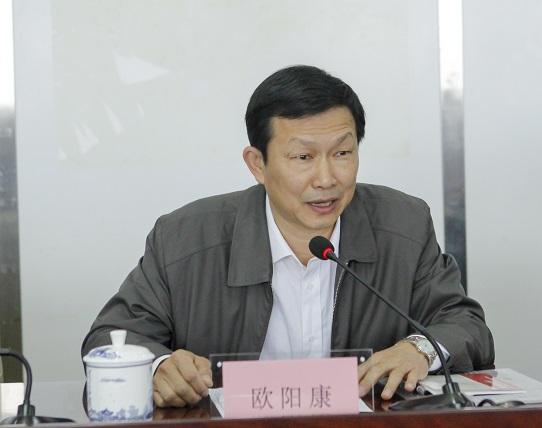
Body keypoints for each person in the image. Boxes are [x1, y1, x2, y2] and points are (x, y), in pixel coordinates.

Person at [82, 65, 494, 408]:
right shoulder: (185, 238)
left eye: (343, 153)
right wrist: (159, 367)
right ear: (257, 164)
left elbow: (466, 326)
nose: (326, 178)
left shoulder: (404, 225)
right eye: (303, 157)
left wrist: (419, 349)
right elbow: (111, 336)